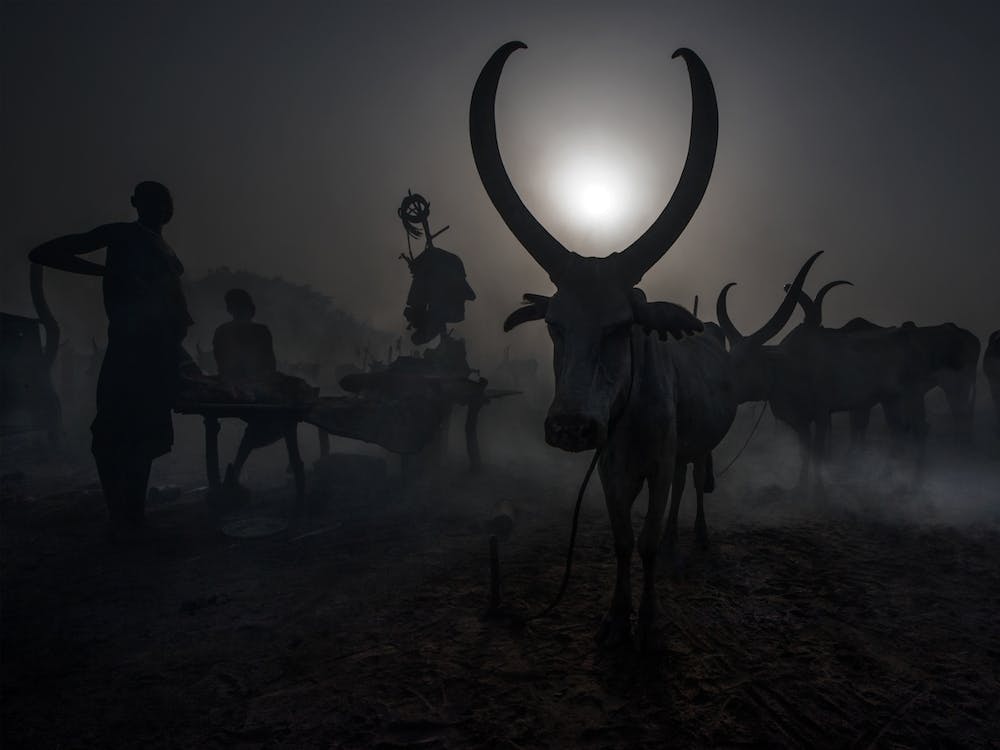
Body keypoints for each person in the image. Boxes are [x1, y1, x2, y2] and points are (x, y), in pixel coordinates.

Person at [29, 181, 193, 540]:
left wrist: (181, 357)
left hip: (158, 354)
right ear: (136, 203)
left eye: (165, 201)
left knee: (144, 437)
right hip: (129, 350)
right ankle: (118, 515)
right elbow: (44, 252)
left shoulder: (168, 255)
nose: (161, 207)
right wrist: (102, 272)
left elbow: (176, 313)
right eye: (153, 200)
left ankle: (134, 516)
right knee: (108, 436)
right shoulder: (121, 235)